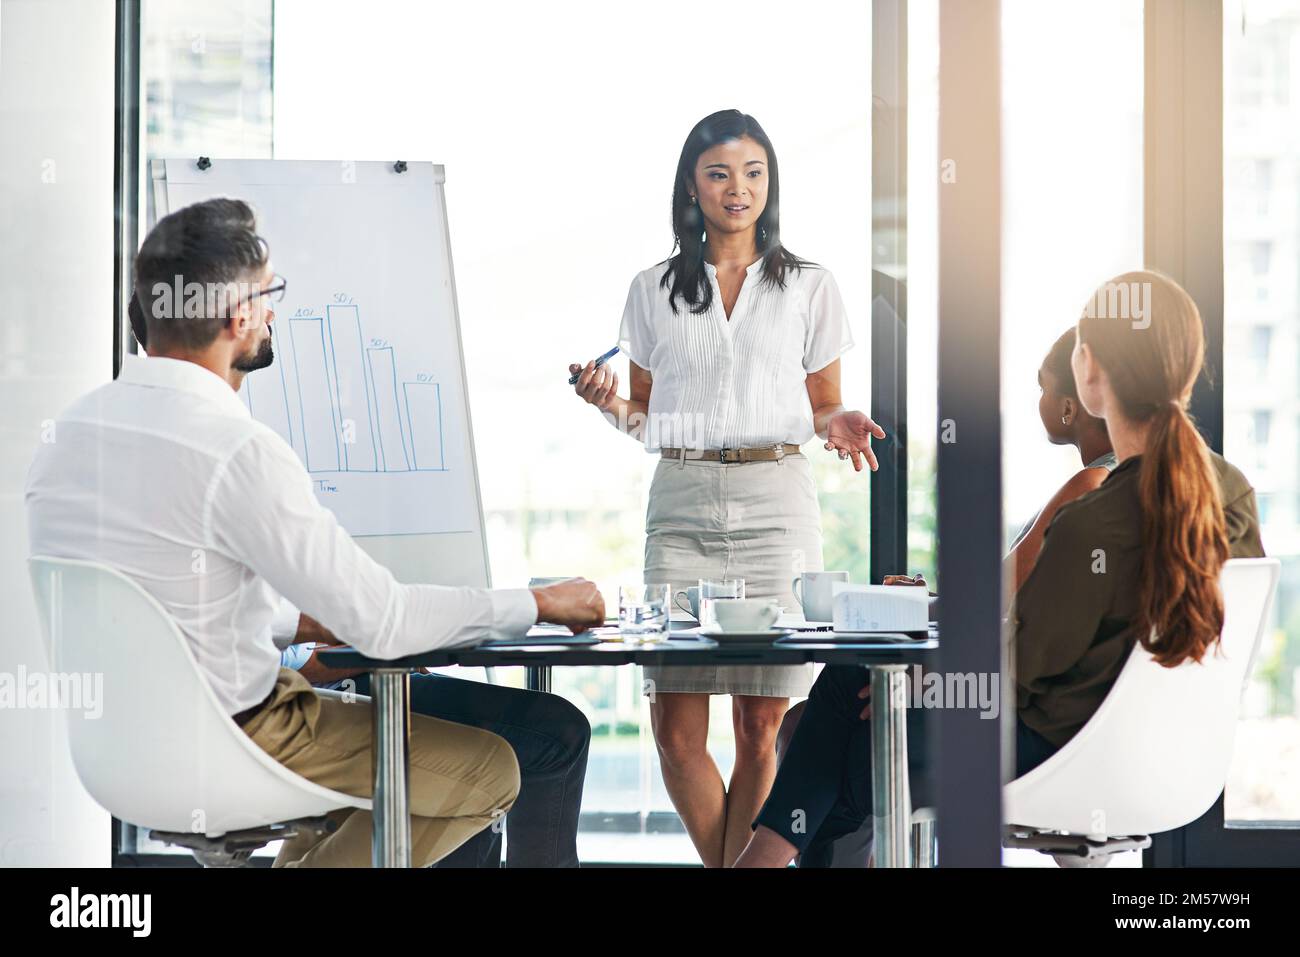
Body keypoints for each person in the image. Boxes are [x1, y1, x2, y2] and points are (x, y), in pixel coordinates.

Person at [26, 197, 605, 867]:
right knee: (491, 769)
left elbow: (156, 598)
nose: (274, 310)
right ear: (235, 315)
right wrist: (540, 601)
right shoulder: (234, 449)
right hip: (242, 740)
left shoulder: (69, 434)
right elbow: (383, 621)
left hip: (117, 755)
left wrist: (291, 623)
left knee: (386, 775)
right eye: (269, 293)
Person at [734, 270, 1264, 868]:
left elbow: (1017, 671)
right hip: (1175, 760)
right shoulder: (1233, 490)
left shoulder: (1093, 521)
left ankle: (758, 860)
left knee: (841, 703)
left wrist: (917, 683)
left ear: (1088, 373)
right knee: (844, 715)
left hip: (1053, 755)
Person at [569, 109, 884, 867]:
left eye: (753, 173)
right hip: (680, 502)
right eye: (719, 173)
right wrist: (607, 401)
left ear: (769, 185)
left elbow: (821, 402)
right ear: (692, 186)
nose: (737, 189)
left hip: (777, 504)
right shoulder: (653, 289)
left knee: (759, 727)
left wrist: (837, 419)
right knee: (676, 733)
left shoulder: (809, 285)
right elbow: (646, 414)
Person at [772, 325, 1119, 866]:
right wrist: (929, 607)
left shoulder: (1091, 486)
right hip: (1073, 726)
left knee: (832, 704)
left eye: (1044, 389)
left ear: (1073, 405)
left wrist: (930, 677)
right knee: (812, 720)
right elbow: (1012, 597)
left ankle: (758, 860)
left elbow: (1003, 605)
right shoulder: (1119, 485)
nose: (1040, 403)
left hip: (1037, 730)